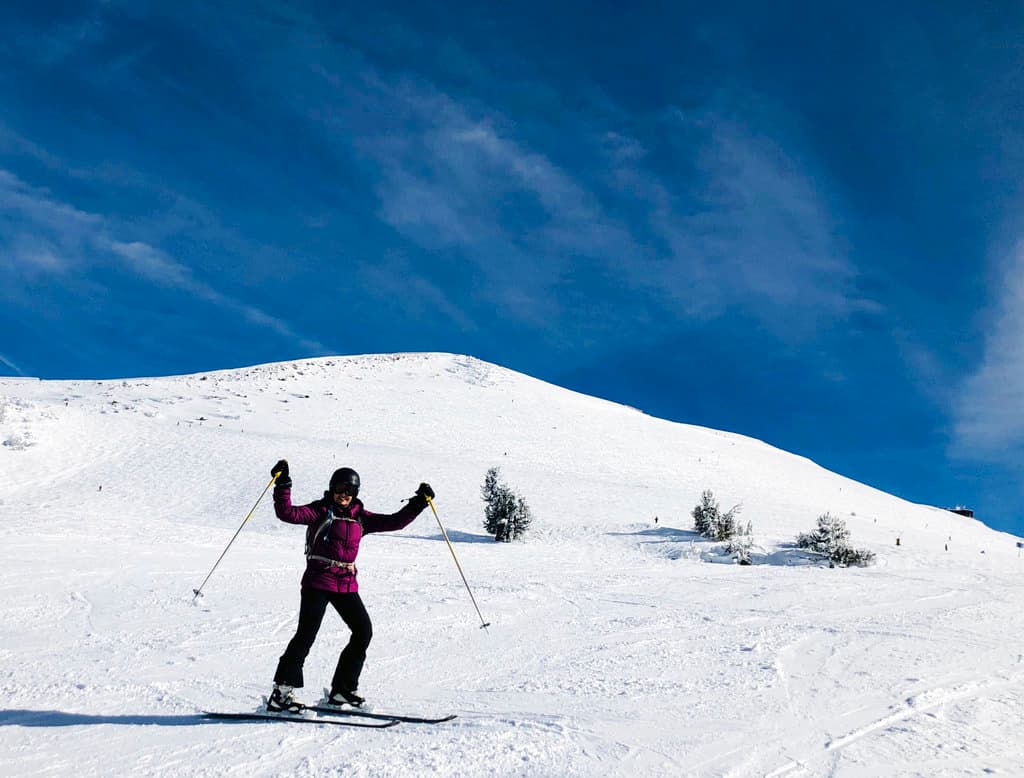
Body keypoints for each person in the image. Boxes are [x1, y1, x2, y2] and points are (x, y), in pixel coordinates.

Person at [266, 459, 434, 713]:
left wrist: (419, 503)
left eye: (350, 490)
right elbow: (287, 513)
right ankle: (281, 693)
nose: (344, 494)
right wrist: (283, 484)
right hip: (318, 581)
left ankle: (342, 691)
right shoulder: (320, 511)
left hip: (345, 583)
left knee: (363, 631)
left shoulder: (360, 517)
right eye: (340, 488)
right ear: (332, 488)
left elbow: (395, 521)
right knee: (306, 634)